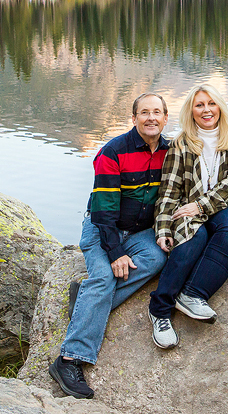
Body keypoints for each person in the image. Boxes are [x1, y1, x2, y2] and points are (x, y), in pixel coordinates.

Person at [48, 92, 171, 399]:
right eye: (145, 112)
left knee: (157, 260)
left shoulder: (171, 151)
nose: (151, 118)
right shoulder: (112, 152)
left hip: (141, 232)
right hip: (104, 229)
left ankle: (85, 300)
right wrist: (115, 253)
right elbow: (103, 210)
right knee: (103, 277)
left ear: (165, 118)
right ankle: (68, 359)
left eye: (157, 112)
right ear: (134, 118)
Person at [148, 83, 228, 348]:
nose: (206, 110)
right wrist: (163, 229)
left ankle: (192, 294)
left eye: (211, 104)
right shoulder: (181, 144)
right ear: (191, 111)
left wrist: (201, 206)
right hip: (186, 207)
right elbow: (169, 190)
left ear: (220, 108)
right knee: (194, 236)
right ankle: (159, 309)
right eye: (199, 105)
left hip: (223, 206)